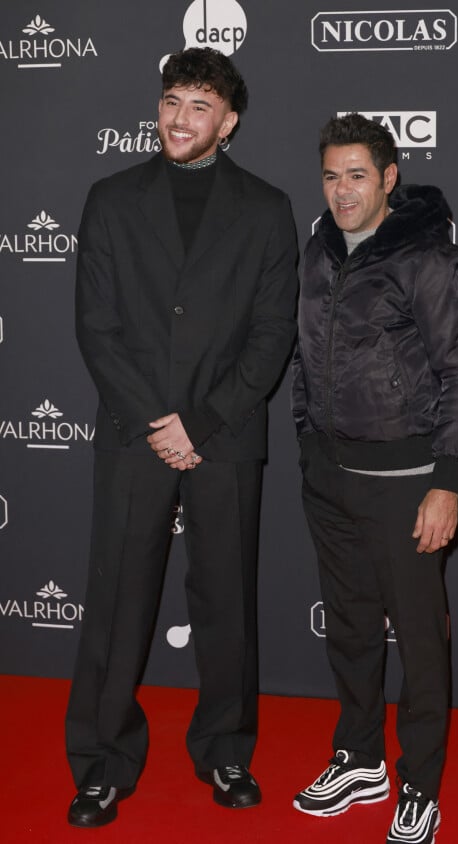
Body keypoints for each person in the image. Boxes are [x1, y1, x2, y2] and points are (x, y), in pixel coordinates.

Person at [65, 47, 298, 828]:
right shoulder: (110, 198)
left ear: (227, 123)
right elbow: (96, 329)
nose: (178, 118)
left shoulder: (267, 209)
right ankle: (101, 763)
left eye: (199, 106)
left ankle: (226, 751)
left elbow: (271, 338)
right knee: (116, 602)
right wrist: (155, 422)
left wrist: (198, 422)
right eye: (171, 100)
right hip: (134, 434)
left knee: (227, 600)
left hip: (224, 436)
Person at [291, 113, 458, 844]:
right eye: (331, 176)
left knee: (418, 639)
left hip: (407, 480)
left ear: (389, 177)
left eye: (357, 176)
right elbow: (307, 355)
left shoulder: (428, 259)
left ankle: (421, 786)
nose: (342, 192)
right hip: (329, 477)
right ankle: (361, 758)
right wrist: (308, 439)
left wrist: (447, 481)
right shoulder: (317, 249)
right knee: (348, 630)